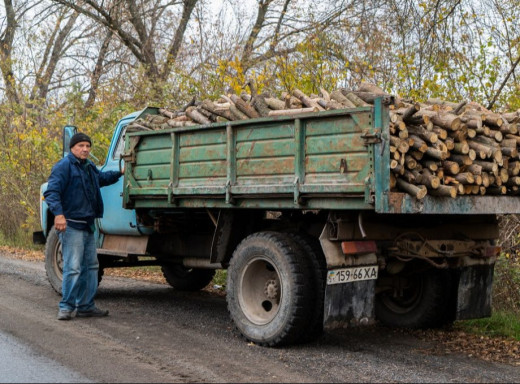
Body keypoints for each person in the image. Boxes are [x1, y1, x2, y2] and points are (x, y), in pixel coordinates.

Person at [44, 132, 123, 320]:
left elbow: (101, 179)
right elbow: (52, 192)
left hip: (88, 225)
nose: (85, 149)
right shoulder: (64, 167)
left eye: (88, 146)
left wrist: (120, 173)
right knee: (73, 267)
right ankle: (66, 306)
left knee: (91, 266)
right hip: (71, 225)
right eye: (81, 146)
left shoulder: (89, 167)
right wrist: (59, 215)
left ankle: (86, 305)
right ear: (72, 148)